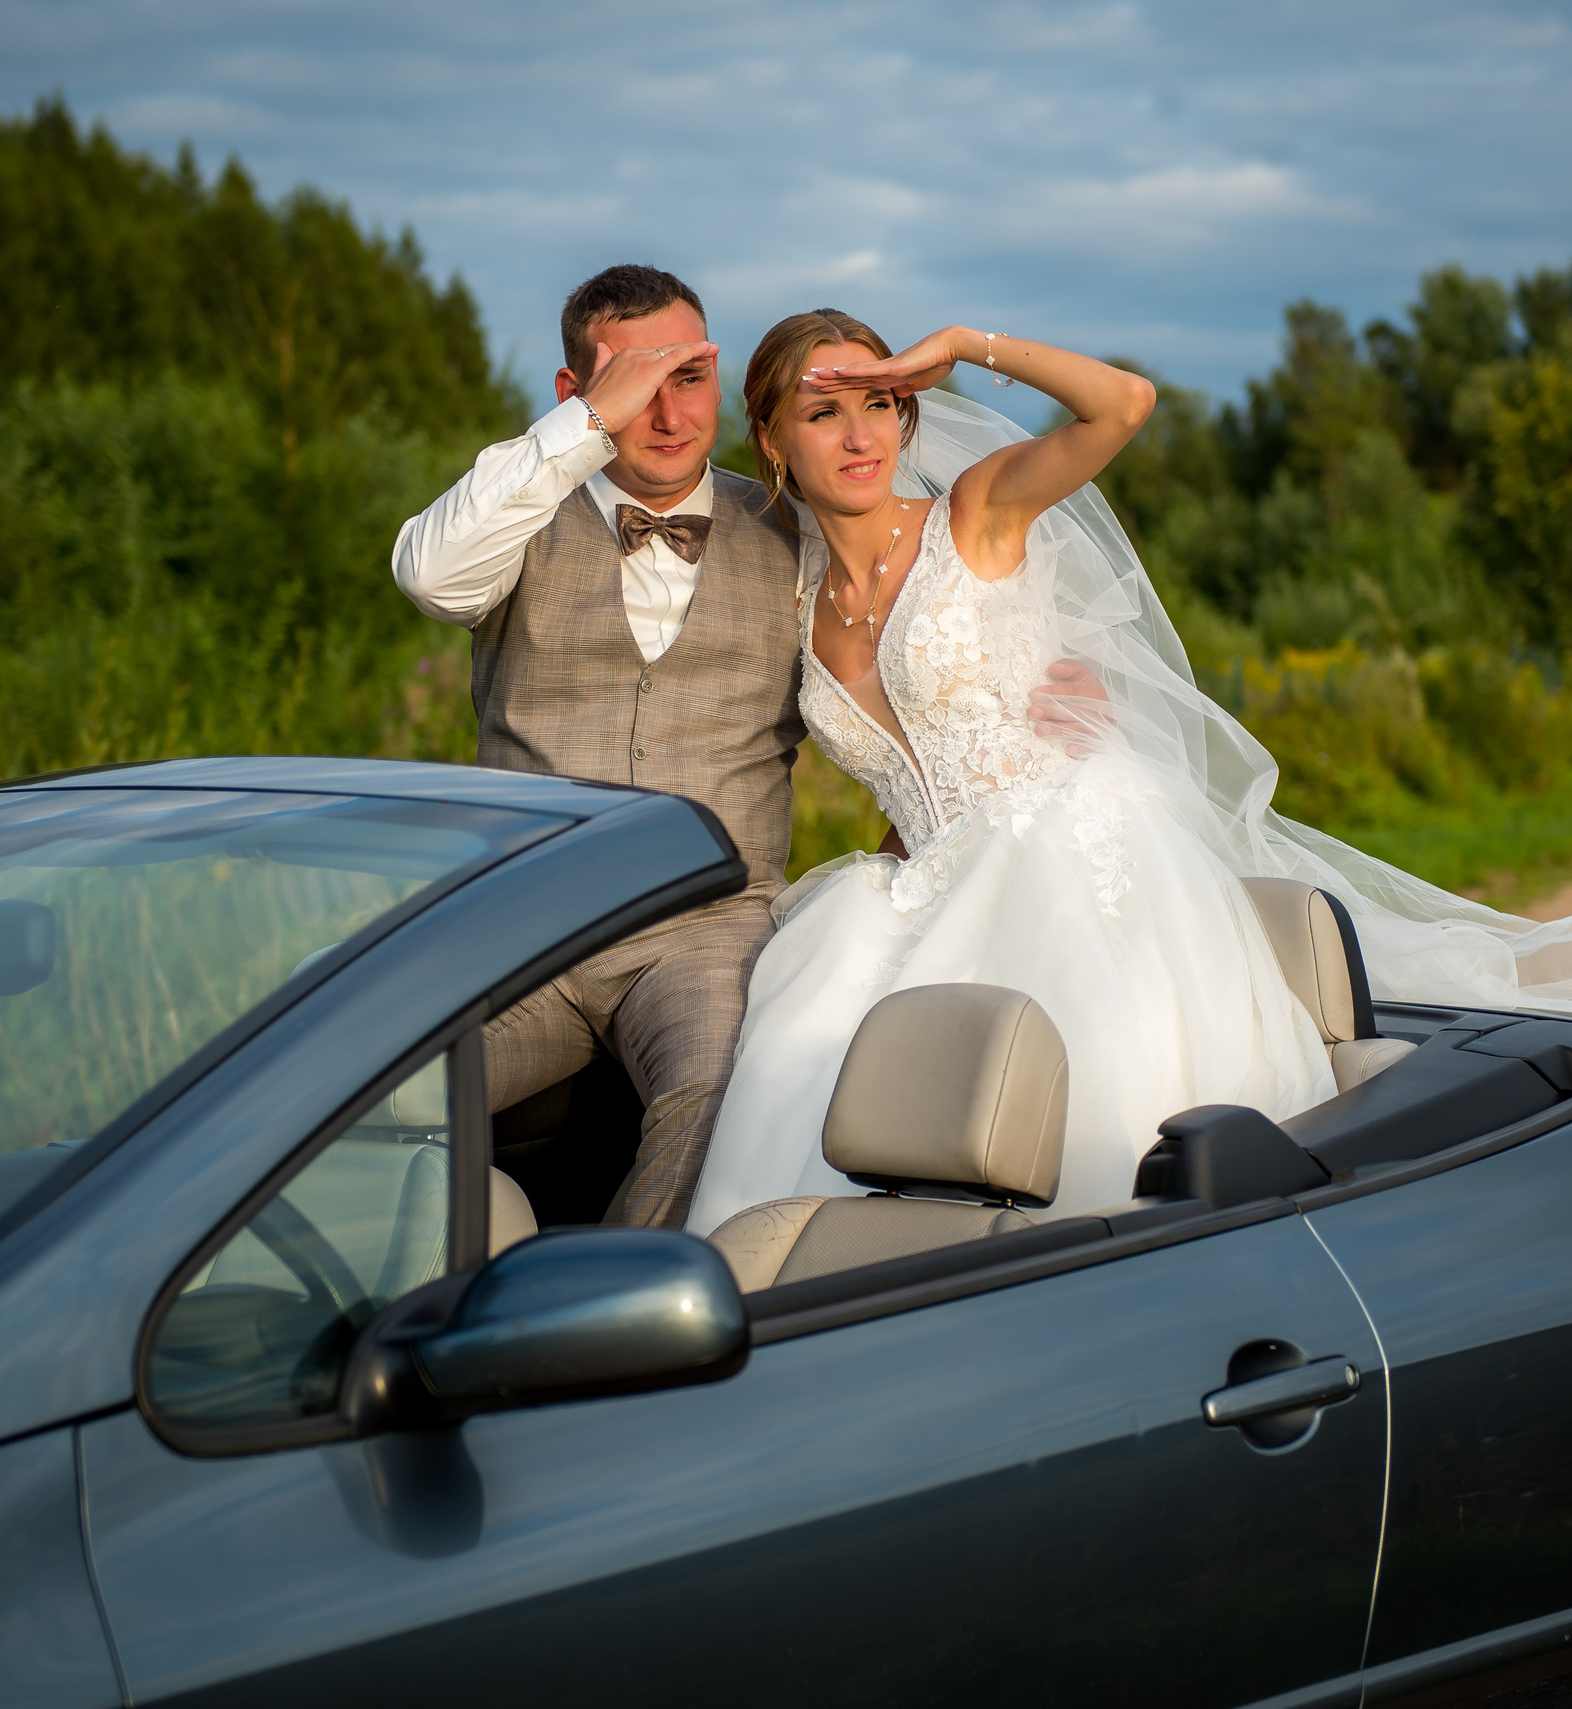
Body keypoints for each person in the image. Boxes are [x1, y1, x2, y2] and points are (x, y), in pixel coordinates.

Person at [685, 312, 1572, 1234]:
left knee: (1096, 1112)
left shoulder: (975, 511)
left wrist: (962, 347)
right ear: (773, 440)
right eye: (824, 412)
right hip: (923, 884)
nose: (859, 436)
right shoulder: (792, 592)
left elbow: (1122, 404)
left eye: (880, 403)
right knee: (804, 1050)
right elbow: (908, 768)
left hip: (1065, 853)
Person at [391, 267, 1090, 1228]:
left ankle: (618, 1323)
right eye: (639, 383)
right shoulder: (517, 519)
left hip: (706, 926)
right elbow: (428, 575)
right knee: (365, 1074)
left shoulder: (794, 530)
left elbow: (922, 637)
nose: (670, 414)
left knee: (730, 1078)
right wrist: (583, 432)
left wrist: (1040, 690)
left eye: (690, 376)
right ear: (579, 396)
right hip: (532, 924)